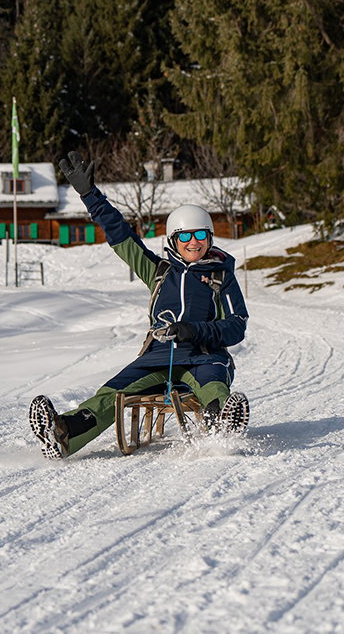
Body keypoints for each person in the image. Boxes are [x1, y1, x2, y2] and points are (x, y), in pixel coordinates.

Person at [28, 151, 250, 459]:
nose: (193, 242)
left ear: (210, 237)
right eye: (184, 236)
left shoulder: (220, 275)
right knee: (111, 393)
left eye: (200, 235)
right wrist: (90, 196)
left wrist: (193, 331)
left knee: (213, 386)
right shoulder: (158, 271)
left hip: (205, 357)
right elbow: (121, 234)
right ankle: (64, 433)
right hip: (157, 358)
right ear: (173, 240)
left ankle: (221, 427)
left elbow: (237, 325)